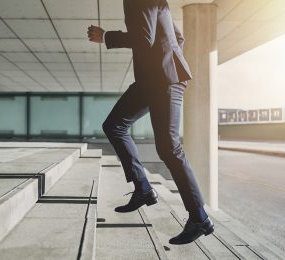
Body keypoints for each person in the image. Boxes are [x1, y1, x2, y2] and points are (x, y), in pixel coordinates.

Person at [87, 0, 214, 245]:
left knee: (168, 147)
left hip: (165, 79)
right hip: (152, 79)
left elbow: (144, 38)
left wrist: (106, 37)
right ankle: (143, 188)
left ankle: (199, 217)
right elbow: (178, 36)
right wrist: (168, 57)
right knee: (114, 125)